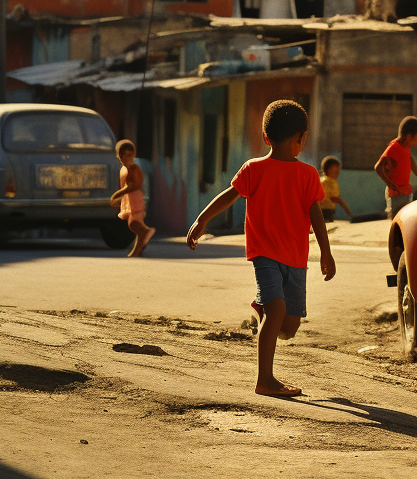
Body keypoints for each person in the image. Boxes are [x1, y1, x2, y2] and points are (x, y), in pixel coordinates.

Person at [185, 99, 336, 399]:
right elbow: (230, 195)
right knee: (278, 310)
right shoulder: (254, 169)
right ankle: (265, 379)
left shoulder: (306, 175)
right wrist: (202, 219)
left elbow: (315, 213)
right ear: (301, 138)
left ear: (267, 136)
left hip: (295, 257)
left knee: (289, 326)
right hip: (264, 253)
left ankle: (263, 307)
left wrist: (326, 251)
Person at [374, 115, 417, 220]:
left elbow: (411, 162)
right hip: (397, 194)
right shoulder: (394, 148)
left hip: (406, 192)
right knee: (399, 221)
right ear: (409, 136)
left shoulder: (406, 148)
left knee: (405, 221)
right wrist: (390, 184)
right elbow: (378, 167)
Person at [110, 139, 156, 258]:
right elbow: (124, 185)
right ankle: (139, 246)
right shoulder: (124, 169)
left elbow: (133, 185)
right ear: (120, 156)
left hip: (135, 199)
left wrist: (117, 195)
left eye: (130, 155)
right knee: (133, 223)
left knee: (133, 223)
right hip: (128, 199)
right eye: (125, 155)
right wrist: (121, 199)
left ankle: (145, 232)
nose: (128, 158)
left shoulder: (133, 169)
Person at [319, 156, 352, 222]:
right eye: (335, 171)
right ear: (328, 169)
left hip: (325, 210)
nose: (337, 173)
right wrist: (348, 211)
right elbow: (334, 198)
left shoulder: (324, 180)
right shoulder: (328, 182)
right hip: (325, 210)